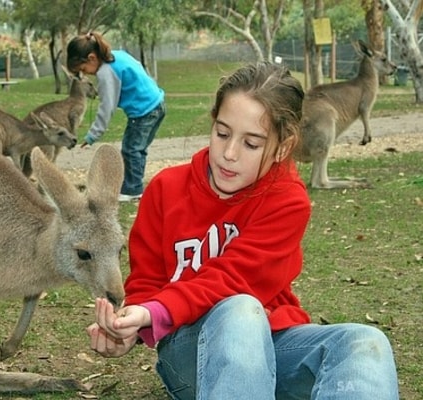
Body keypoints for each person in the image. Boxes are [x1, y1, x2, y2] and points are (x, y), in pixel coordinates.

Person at [86, 62, 399, 399]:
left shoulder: (288, 199)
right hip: (190, 352)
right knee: (239, 311)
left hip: (274, 343)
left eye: (251, 144)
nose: (229, 153)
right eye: (222, 133)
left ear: (282, 146)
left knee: (365, 342)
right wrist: (130, 330)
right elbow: (147, 284)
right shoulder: (166, 189)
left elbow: (235, 276)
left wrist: (153, 312)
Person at [66, 32, 166, 202]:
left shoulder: (106, 73)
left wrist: (92, 135)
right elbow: (138, 68)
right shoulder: (117, 56)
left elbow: (107, 107)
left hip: (143, 111)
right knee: (137, 149)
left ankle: (133, 189)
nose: (87, 74)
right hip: (157, 104)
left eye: (83, 69)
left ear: (91, 58)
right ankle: (133, 185)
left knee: (131, 150)